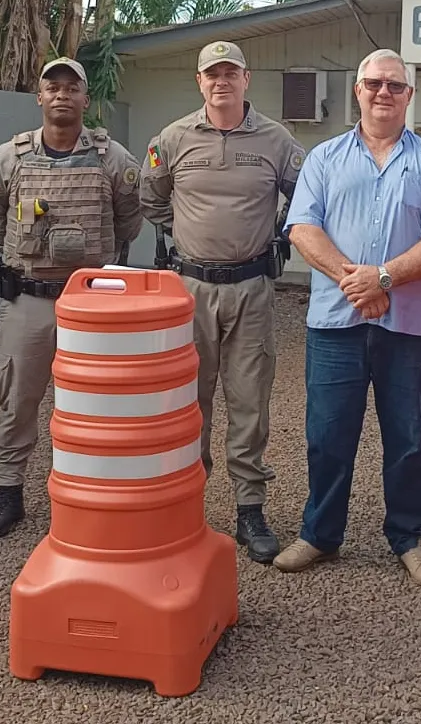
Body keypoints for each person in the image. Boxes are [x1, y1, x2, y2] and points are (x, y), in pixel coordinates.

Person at [275, 49, 421, 588]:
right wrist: (358, 284)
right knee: (327, 433)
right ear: (357, 90)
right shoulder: (323, 158)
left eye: (395, 85)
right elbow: (303, 229)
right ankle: (320, 534)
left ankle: (409, 537)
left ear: (410, 96)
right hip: (335, 324)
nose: (384, 92)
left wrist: (383, 279)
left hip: (407, 329)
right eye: (375, 83)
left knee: (406, 437)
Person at [139, 40, 306, 564]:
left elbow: (306, 194)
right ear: (200, 81)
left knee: (249, 400)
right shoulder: (173, 138)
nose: (221, 81)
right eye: (212, 74)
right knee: (188, 401)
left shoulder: (276, 139)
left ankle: (249, 508)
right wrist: (188, 233)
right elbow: (151, 198)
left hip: (252, 289)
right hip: (190, 290)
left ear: (246, 79)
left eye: (230, 73)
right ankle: (186, 504)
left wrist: (280, 232)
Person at [0, 56, 145, 540]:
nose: (62, 95)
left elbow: (129, 220)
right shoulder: (9, 158)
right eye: (53, 87)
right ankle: (8, 492)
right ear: (40, 97)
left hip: (93, 303)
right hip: (29, 297)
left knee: (98, 404)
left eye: (72, 88)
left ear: (86, 99)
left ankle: (98, 492)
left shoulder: (113, 159)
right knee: (17, 397)